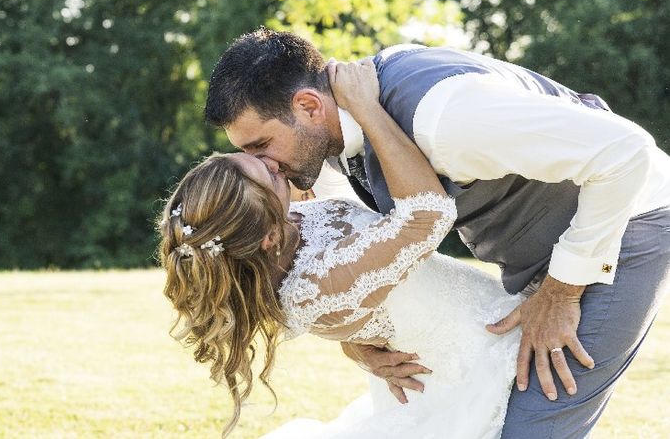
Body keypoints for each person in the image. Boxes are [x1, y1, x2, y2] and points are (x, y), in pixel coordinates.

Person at [204, 28, 670, 438]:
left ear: (308, 106)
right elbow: (336, 230)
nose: (263, 166)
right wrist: (352, 328)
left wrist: (563, 292)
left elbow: (625, 152)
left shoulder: (443, 117)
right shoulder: (330, 134)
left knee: (530, 428)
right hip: (536, 256)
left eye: (261, 145)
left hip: (626, 224)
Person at [159, 59, 525, 438]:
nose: (272, 163)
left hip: (480, 338)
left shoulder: (282, 225)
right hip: (475, 374)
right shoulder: (316, 287)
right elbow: (427, 215)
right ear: (267, 237)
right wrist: (367, 107)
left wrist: (353, 340)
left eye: (254, 156)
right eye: (267, 174)